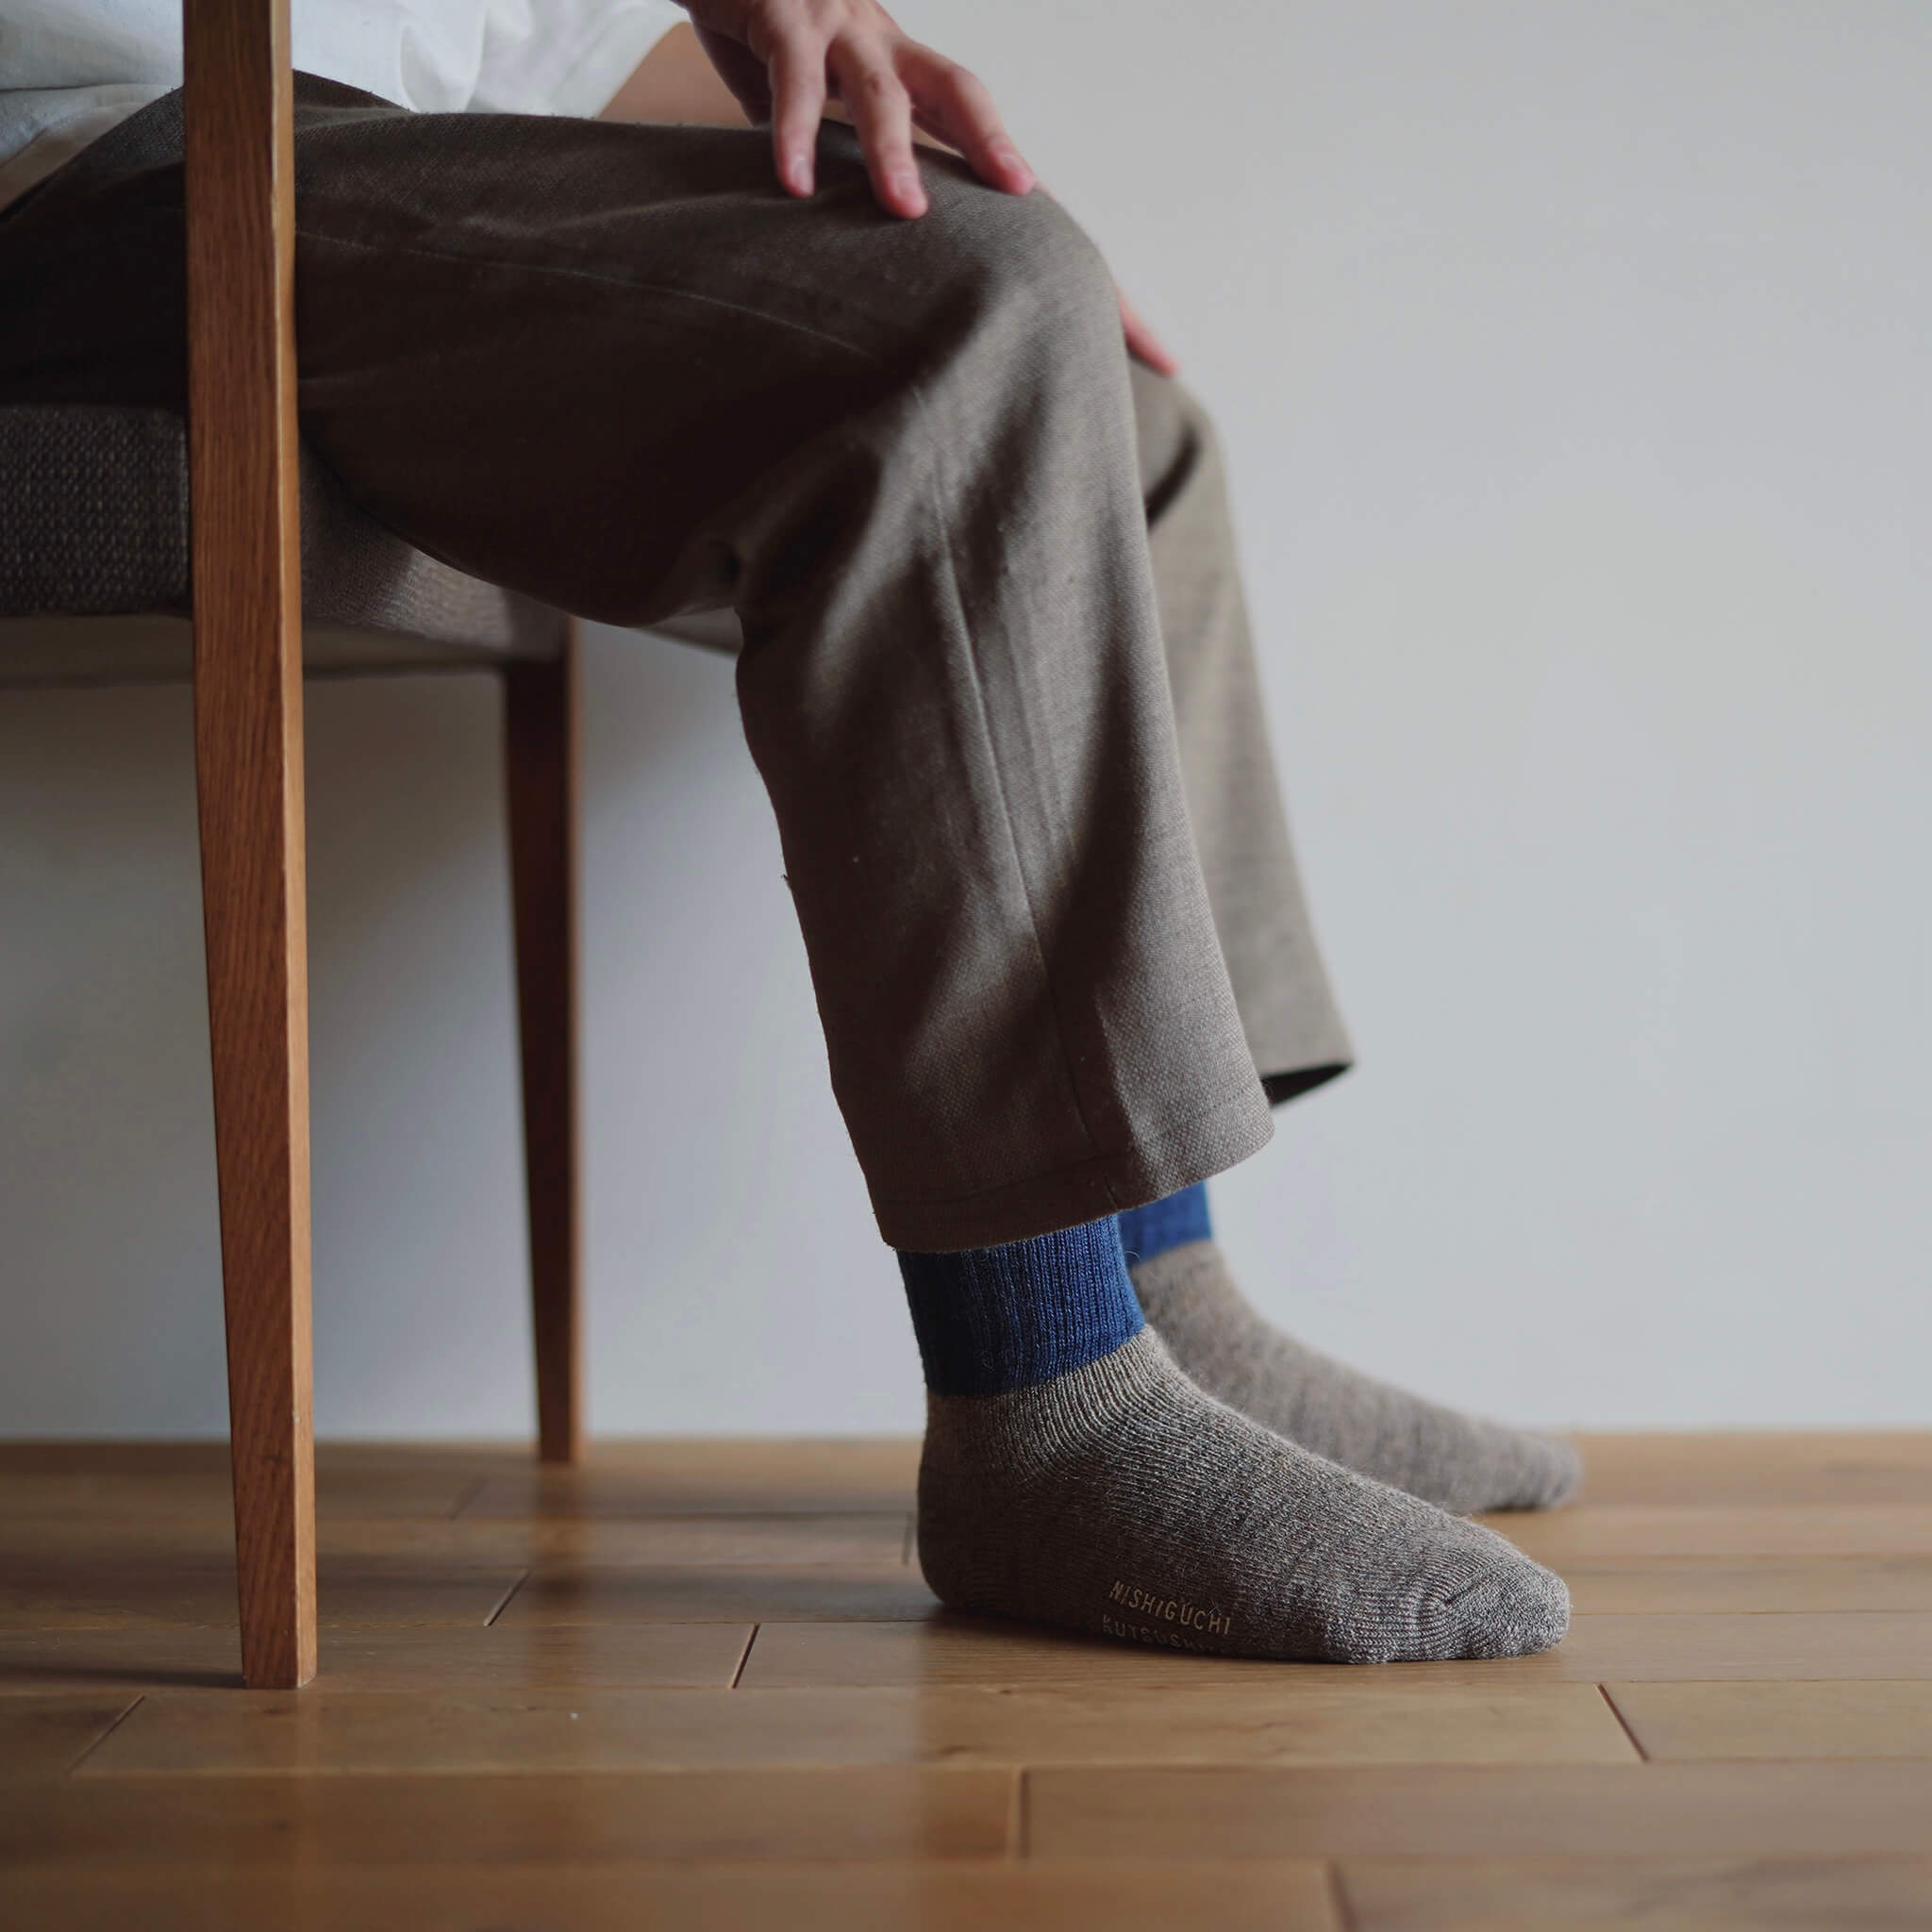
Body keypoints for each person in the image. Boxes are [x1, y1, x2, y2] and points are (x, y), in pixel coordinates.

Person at [3, 0, 1578, 1664]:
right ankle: (1044, 1404)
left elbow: (545, 53)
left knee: (1119, 402)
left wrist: (954, 179)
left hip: (355, 155)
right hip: (89, 165)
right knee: (964, 318)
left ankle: (1171, 1301)